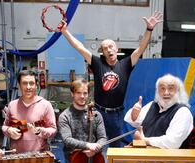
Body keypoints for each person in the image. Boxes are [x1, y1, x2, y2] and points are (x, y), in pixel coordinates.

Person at [60, 12, 163, 147]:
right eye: (105, 48)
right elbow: (79, 47)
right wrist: (65, 31)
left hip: (117, 114)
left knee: (115, 148)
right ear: (102, 52)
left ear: (116, 49)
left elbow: (141, 48)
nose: (108, 50)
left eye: (111, 46)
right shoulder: (97, 63)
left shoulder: (126, 64)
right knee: (96, 146)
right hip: (99, 113)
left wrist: (149, 29)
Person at [124, 74, 193, 149]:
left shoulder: (183, 112)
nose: (166, 93)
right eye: (162, 88)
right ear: (157, 91)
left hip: (170, 159)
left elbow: (172, 142)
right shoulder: (152, 105)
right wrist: (134, 115)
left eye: (170, 88)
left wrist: (146, 140)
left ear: (178, 91)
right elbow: (136, 123)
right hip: (146, 155)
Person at [58, 79, 107, 163]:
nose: (82, 96)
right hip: (74, 160)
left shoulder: (96, 115)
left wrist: (95, 149)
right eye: (78, 93)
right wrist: (88, 145)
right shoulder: (65, 116)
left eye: (85, 93)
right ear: (72, 94)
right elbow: (67, 140)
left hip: (94, 158)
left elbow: (102, 138)